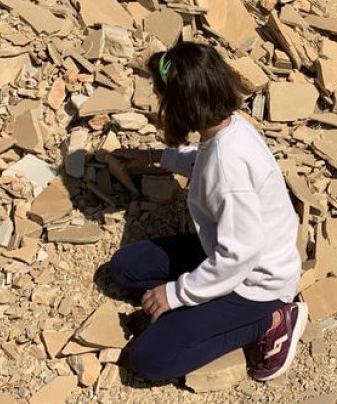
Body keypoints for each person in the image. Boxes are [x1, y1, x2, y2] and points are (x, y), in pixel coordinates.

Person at [107, 42, 307, 382]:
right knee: (126, 268)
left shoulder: (230, 168)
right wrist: (154, 158)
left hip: (257, 283)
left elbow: (240, 254)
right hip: (223, 251)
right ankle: (201, 308)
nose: (159, 105)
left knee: (150, 358)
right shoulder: (228, 127)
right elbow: (204, 161)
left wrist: (176, 294)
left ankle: (272, 320)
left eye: (162, 98)